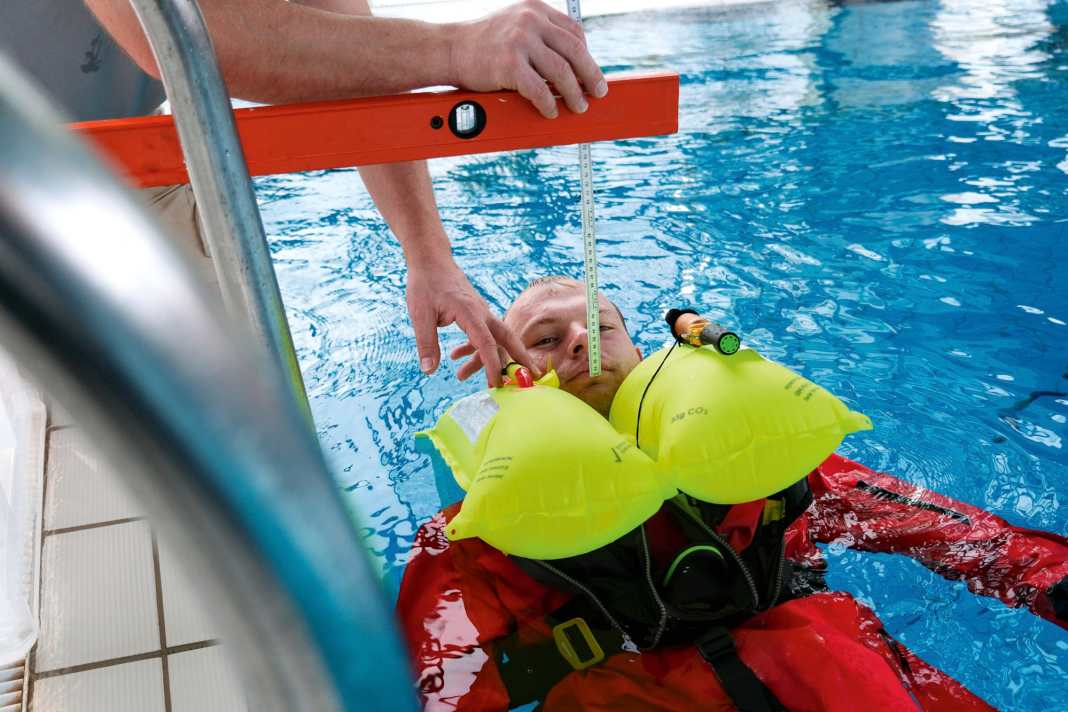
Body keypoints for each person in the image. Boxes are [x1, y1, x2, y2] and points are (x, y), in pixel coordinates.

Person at [397, 276, 1068, 711]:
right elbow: (428, 683)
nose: (579, 342)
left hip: (818, 663)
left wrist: (1054, 580)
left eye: (600, 329)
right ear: (513, 379)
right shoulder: (483, 534)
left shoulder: (755, 461)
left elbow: (936, 527)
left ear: (644, 356)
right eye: (546, 339)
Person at [1, 0, 606, 386]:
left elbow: (355, 56)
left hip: (125, 161)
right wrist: (454, 48)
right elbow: (173, 32)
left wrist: (428, 252)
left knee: (239, 414)